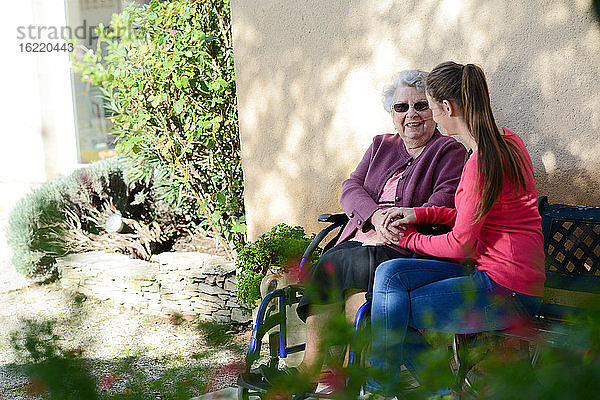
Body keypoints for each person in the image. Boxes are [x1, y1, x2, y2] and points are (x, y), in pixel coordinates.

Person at [367, 61, 546, 396]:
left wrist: (410, 237)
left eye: (431, 107)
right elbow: (472, 214)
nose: (430, 115)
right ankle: (396, 388)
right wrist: (418, 214)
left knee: (392, 310)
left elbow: (460, 245)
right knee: (390, 274)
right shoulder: (507, 141)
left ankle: (405, 390)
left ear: (447, 107)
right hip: (505, 279)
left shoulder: (481, 161)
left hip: (507, 290)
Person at [293, 70, 468, 382]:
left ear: (434, 111)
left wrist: (398, 222)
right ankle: (333, 369)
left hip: (408, 248)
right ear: (392, 114)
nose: (411, 114)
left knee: (339, 260)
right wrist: (373, 216)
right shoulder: (380, 145)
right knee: (346, 275)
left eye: (420, 106)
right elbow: (351, 188)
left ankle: (323, 369)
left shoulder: (448, 151)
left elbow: (442, 201)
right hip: (363, 242)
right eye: (402, 107)